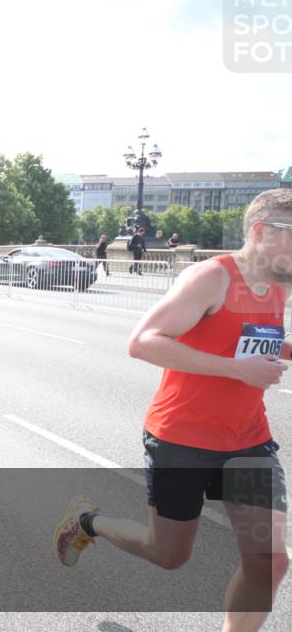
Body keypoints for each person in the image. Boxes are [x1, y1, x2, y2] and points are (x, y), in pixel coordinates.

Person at [54, 189, 292, 632]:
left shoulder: (275, 284)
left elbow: (250, 338)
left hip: (248, 441)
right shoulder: (212, 278)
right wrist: (238, 370)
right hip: (182, 438)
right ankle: (88, 521)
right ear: (262, 233)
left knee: (270, 562)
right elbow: (142, 342)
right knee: (168, 554)